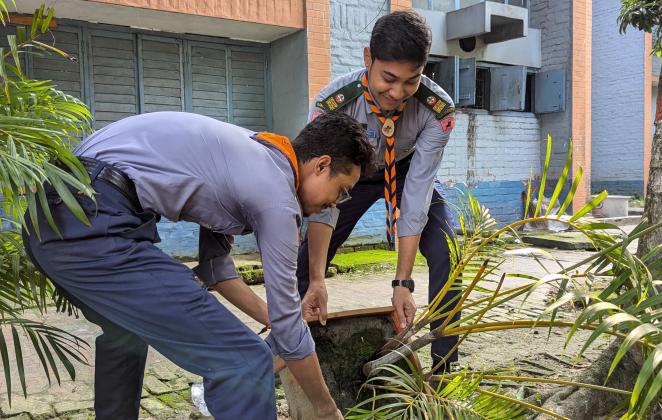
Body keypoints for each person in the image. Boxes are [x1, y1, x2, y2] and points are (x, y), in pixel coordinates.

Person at [22, 111, 373, 420]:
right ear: (321, 165)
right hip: (90, 219)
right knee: (245, 361)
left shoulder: (250, 158)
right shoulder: (276, 195)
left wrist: (278, 320)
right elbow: (289, 329)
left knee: (125, 333)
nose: (335, 204)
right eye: (342, 191)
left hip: (53, 215)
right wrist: (326, 410)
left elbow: (216, 270)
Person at [297, 9, 460, 374]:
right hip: (351, 174)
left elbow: (417, 194)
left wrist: (402, 283)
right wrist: (319, 277)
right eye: (388, 78)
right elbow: (324, 202)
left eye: (411, 81)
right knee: (306, 264)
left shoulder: (438, 112)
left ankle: (445, 367)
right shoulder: (333, 105)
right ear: (368, 58)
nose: (397, 93)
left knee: (447, 250)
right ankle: (294, 353)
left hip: (405, 171)